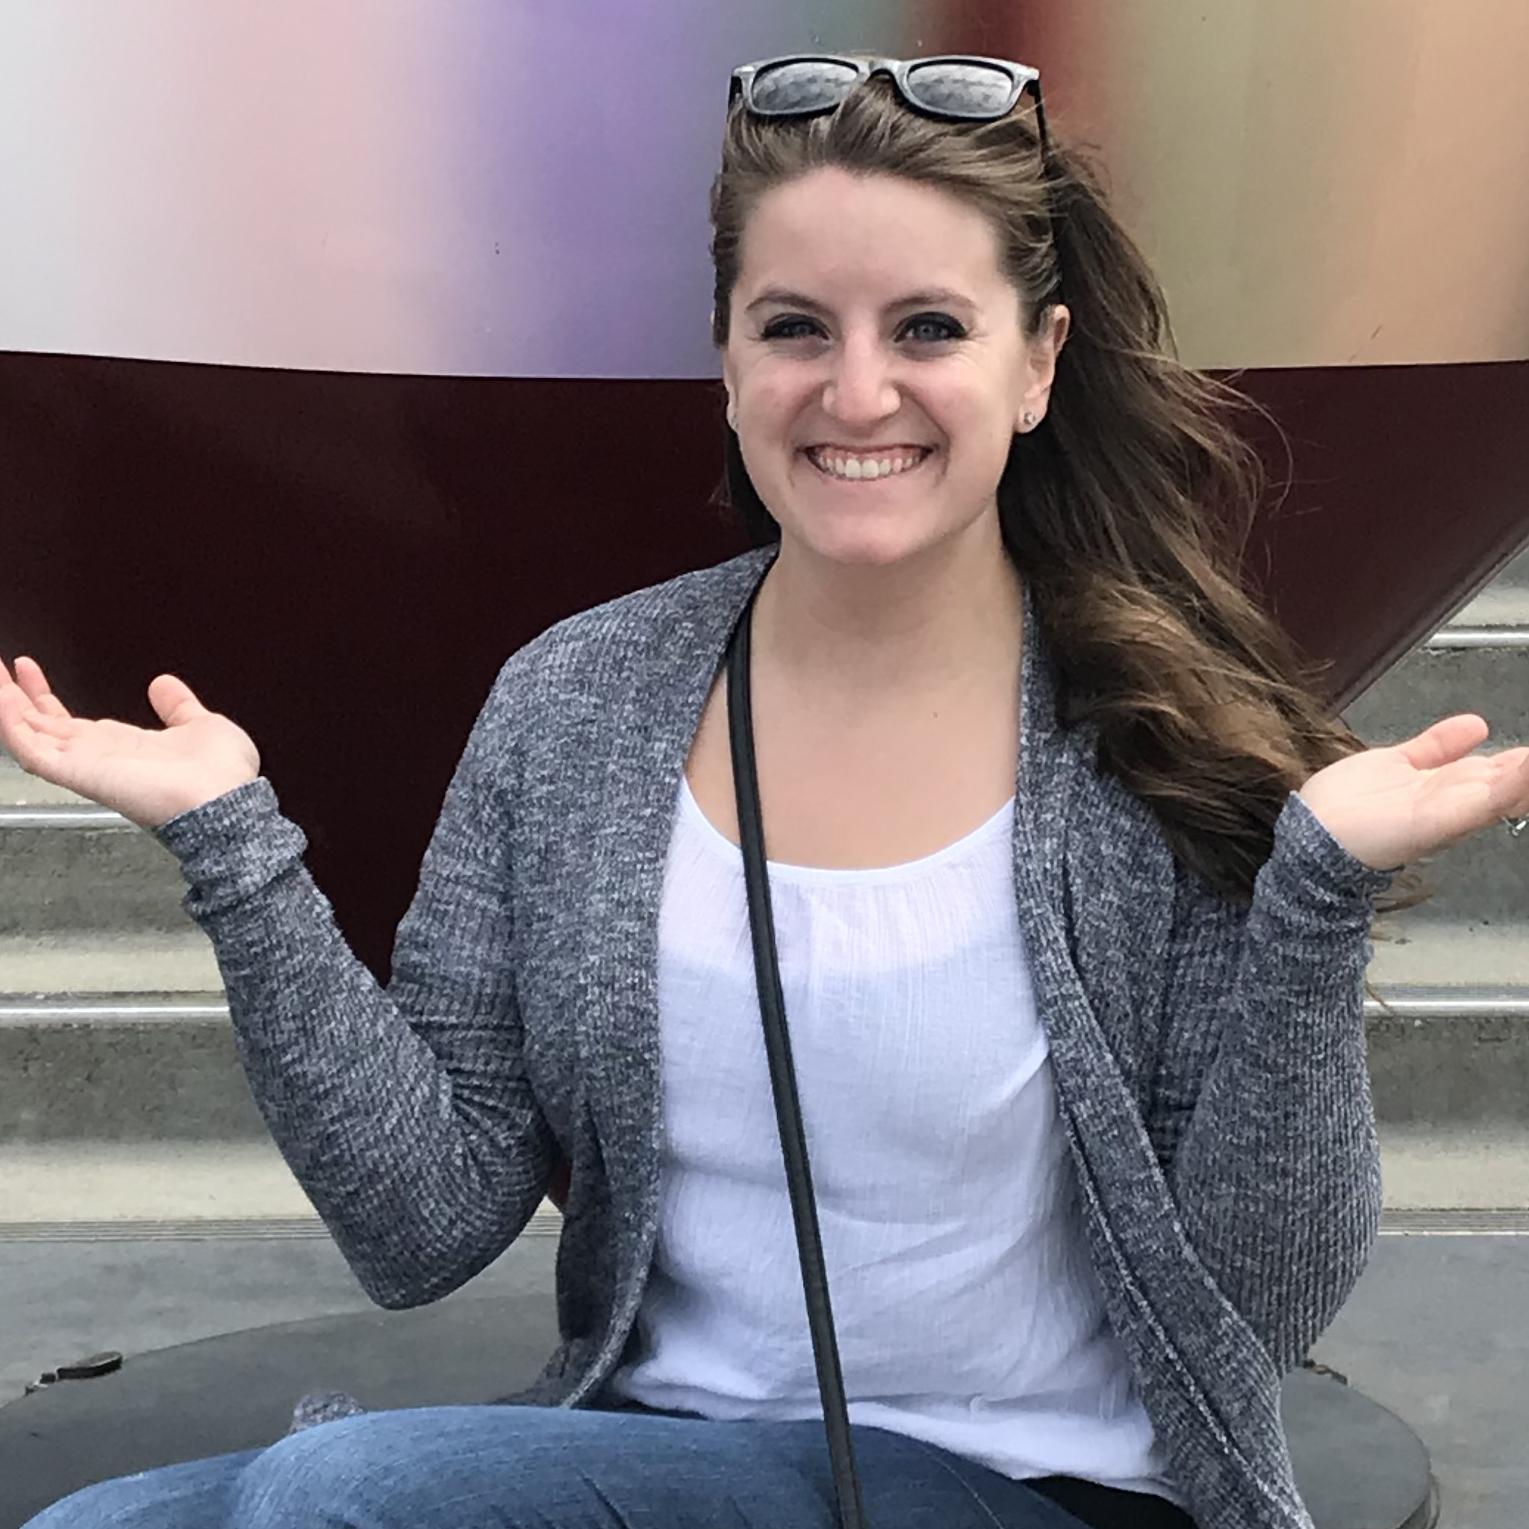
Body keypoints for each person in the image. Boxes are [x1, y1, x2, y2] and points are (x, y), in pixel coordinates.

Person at [3, 52, 1526, 1529]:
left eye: (928, 327)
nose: (857, 393)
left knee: (338, 1494)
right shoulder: (576, 702)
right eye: (796, 327)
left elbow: (1260, 1298)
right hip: (670, 1457)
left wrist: (1312, 904)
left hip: (1041, 1485)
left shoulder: (1151, 736)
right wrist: (235, 847)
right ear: (728, 361)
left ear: (1038, 363)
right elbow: (423, 1226)